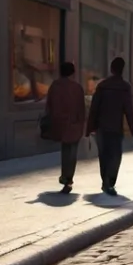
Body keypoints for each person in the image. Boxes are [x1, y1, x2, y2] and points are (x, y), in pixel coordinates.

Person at [85, 56, 133, 196]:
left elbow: (94, 108)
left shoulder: (102, 85)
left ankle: (105, 181)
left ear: (111, 69)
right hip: (116, 127)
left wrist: (89, 127)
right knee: (115, 156)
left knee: (103, 155)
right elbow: (129, 110)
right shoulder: (125, 87)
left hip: (101, 126)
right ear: (122, 70)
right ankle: (111, 182)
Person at [43, 62, 86, 194]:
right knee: (72, 152)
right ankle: (68, 178)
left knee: (65, 150)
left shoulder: (55, 86)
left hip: (60, 123)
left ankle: (65, 176)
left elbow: (49, 105)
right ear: (72, 73)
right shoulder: (77, 87)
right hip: (74, 124)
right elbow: (81, 107)